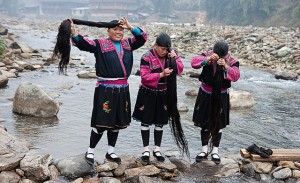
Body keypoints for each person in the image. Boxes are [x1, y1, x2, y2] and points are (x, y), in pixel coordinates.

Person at [69, 17, 148, 164]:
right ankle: (90, 150)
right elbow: (83, 43)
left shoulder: (128, 44)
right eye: (115, 29)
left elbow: (143, 38)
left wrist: (130, 27)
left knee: (117, 122)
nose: (118, 32)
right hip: (105, 89)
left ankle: (110, 151)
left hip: (122, 90)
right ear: (108, 30)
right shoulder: (100, 43)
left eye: (121, 30)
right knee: (101, 122)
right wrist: (74, 33)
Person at [132, 33, 187, 163]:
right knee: (145, 121)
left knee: (160, 122)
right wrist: (161, 74)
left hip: (164, 93)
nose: (164, 51)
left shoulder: (170, 54)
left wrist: (175, 59)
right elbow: (144, 77)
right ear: (156, 45)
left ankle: (157, 149)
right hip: (148, 92)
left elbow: (180, 70)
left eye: (166, 49)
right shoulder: (146, 57)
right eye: (161, 48)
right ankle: (146, 149)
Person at [191, 41, 240, 164]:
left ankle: (215, 151)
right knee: (204, 122)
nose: (220, 58)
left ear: (226, 54)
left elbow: (236, 76)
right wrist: (207, 59)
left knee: (219, 123)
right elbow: (194, 63)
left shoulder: (232, 61)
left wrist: (226, 67)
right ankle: (204, 150)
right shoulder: (207, 55)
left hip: (221, 95)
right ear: (213, 51)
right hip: (205, 93)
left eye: (222, 57)